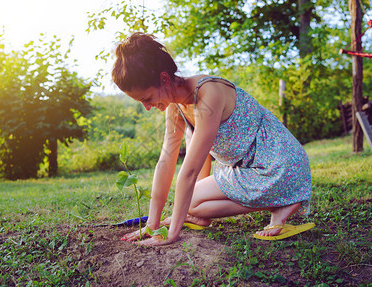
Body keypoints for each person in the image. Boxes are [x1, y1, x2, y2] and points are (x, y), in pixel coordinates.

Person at [112, 32, 312, 246]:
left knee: (188, 200)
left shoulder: (209, 94)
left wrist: (172, 234)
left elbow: (188, 172)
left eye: (147, 98)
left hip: (281, 165)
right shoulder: (176, 106)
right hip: (250, 169)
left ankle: (285, 201)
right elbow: (166, 161)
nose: (148, 107)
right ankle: (281, 200)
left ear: (164, 79)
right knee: (189, 203)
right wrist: (152, 223)